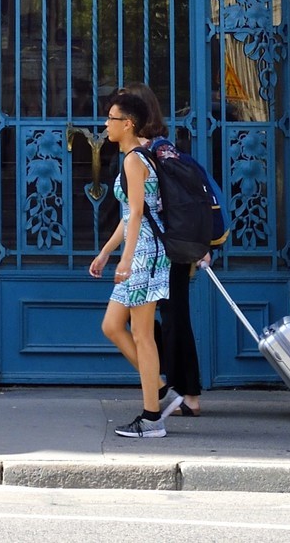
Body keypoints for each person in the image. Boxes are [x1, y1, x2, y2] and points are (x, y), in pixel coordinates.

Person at [90, 87, 171, 439]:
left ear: (129, 123)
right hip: (139, 251)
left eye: (112, 118)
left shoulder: (134, 160)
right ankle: (163, 390)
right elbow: (128, 215)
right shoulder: (135, 158)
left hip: (146, 254)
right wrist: (106, 251)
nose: (106, 124)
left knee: (141, 334)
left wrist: (125, 260)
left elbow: (138, 213)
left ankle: (152, 417)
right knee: (112, 325)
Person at [122, 83, 203, 418]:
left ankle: (187, 393)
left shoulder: (155, 151)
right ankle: (175, 384)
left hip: (167, 249)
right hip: (165, 249)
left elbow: (166, 205)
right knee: (165, 319)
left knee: (173, 320)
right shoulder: (154, 149)